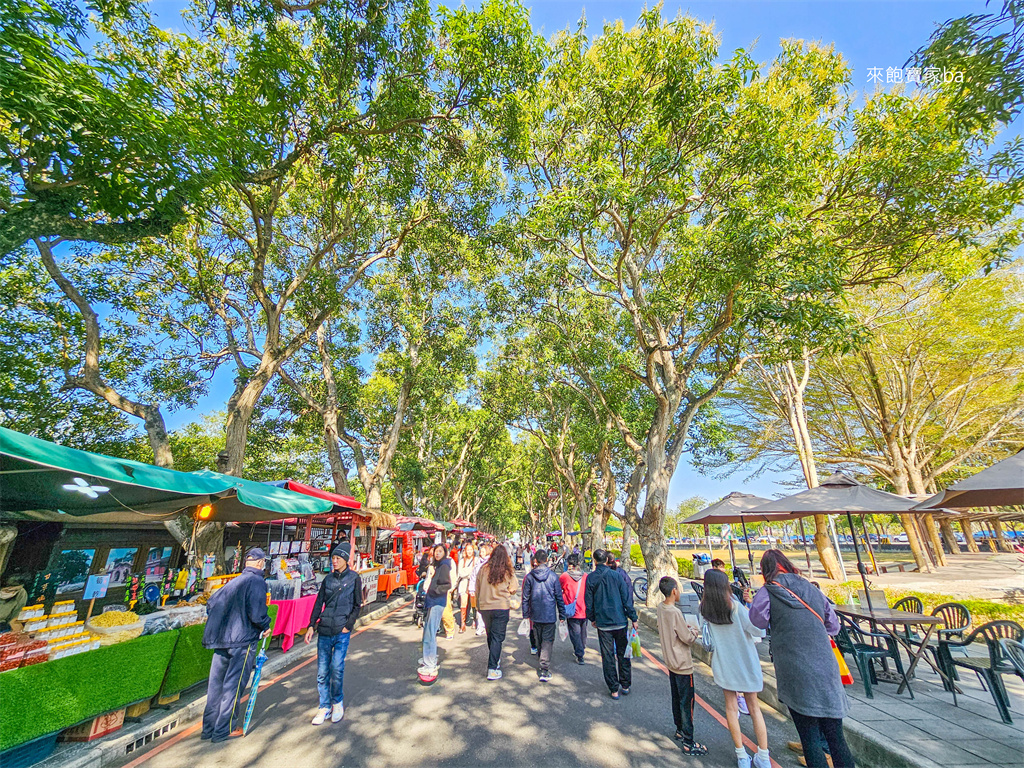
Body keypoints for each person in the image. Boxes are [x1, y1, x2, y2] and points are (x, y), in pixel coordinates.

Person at [749, 551, 854, 768]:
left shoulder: (768, 591)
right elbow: (833, 626)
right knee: (836, 737)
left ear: (765, 570)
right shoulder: (813, 589)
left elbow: (757, 620)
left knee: (810, 738)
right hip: (825, 666)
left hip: (795, 670)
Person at [700, 569, 770, 768]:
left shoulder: (704, 609)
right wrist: (751, 605)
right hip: (746, 663)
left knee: (731, 708)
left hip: (724, 664)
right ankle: (763, 756)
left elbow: (707, 636)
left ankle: (741, 756)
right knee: (754, 708)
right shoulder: (737, 608)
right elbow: (758, 630)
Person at [201, 547, 271, 743]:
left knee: (215, 685)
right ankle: (225, 728)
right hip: (242, 640)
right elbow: (257, 612)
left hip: (221, 639)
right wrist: (265, 624)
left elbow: (211, 604)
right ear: (260, 563)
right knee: (233, 685)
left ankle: (209, 728)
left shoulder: (234, 582)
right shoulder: (257, 581)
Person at [304, 543, 361, 725]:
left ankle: (337, 702)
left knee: (337, 668)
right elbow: (319, 602)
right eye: (333, 558)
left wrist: (348, 625)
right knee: (322, 671)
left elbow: (357, 604)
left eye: (337, 558)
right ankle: (324, 706)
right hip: (325, 630)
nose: (334, 561)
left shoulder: (354, 578)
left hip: (341, 630)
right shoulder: (327, 580)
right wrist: (311, 625)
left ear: (345, 559)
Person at [656, 576, 707, 756]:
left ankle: (679, 729)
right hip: (683, 664)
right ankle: (689, 741)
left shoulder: (661, 608)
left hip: (670, 662)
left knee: (676, 698)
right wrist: (693, 631)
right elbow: (686, 638)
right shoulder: (675, 612)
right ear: (674, 591)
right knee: (687, 703)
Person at [585, 549, 638, 699]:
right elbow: (626, 599)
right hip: (620, 621)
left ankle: (614, 688)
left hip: (603, 622)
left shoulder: (591, 578)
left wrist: (592, 618)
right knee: (623, 653)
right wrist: (633, 617)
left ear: (595, 560)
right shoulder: (617, 576)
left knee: (607, 656)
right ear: (607, 560)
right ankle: (625, 684)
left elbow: (588, 602)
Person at [475, 541, 519, 680]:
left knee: (491, 635)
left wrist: (478, 605)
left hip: (485, 607)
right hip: (501, 607)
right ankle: (492, 667)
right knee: (498, 638)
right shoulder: (507, 571)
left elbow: (477, 588)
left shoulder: (483, 569)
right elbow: (513, 588)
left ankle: (495, 658)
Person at [521, 549, 566, 682]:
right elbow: (559, 596)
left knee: (539, 638)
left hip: (535, 614)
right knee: (547, 640)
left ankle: (542, 659)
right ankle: (544, 669)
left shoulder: (529, 577)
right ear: (546, 560)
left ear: (535, 561)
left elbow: (525, 598)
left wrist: (525, 615)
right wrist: (562, 614)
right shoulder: (553, 577)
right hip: (549, 613)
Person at [418, 544, 454, 678]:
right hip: (432, 601)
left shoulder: (444, 566)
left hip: (437, 601)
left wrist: (434, 590)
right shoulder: (438, 565)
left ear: (444, 553)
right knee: (428, 630)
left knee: (430, 633)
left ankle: (430, 663)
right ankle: (428, 657)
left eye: (440, 551)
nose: (437, 554)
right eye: (435, 552)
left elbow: (447, 585)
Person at [559, 553, 588, 664]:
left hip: (571, 609)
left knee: (575, 632)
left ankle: (580, 654)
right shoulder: (585, 576)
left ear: (568, 564)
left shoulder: (564, 576)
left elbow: (559, 589)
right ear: (579, 563)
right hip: (584, 608)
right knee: (583, 631)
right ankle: (582, 647)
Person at [457, 542, 480, 634]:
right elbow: (461, 573)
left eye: (471, 550)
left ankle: (474, 620)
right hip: (464, 584)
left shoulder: (477, 560)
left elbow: (477, 572)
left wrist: (468, 572)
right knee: (463, 603)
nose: (469, 552)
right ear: (465, 551)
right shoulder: (462, 561)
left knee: (473, 603)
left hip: (473, 584)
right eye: (468, 550)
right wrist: (470, 572)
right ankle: (462, 624)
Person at [470, 543, 493, 636]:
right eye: (480, 551)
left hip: (487, 589)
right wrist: (471, 589)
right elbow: (473, 576)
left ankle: (485, 625)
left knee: (486, 608)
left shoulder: (490, 562)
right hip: (478, 588)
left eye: (483, 551)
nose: (481, 553)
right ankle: (480, 627)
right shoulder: (478, 562)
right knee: (478, 608)